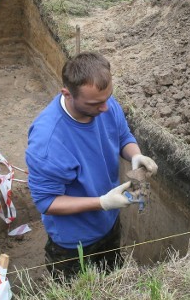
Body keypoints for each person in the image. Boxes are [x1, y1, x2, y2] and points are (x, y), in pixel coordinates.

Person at [25, 51, 158, 279]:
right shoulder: (48, 142)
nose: (105, 107)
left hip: (109, 223)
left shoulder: (103, 103)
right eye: (96, 103)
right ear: (67, 94)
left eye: (108, 98)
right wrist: (102, 202)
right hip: (73, 242)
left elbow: (123, 136)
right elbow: (46, 201)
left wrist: (135, 155)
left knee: (112, 281)